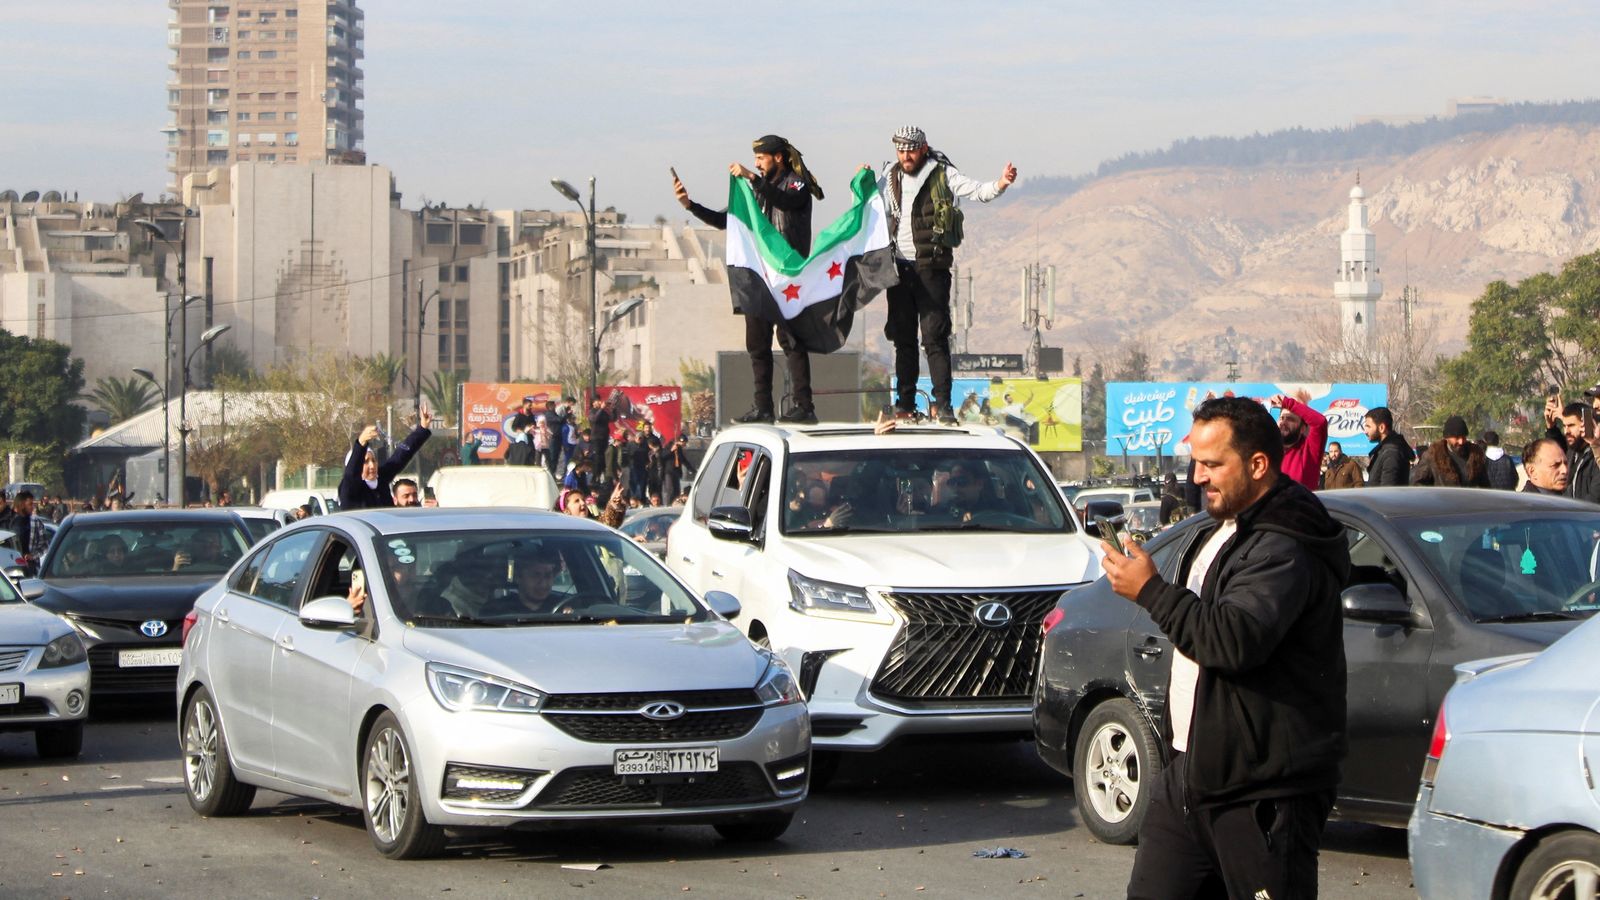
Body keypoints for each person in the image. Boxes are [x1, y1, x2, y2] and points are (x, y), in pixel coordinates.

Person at [1098, 396, 1349, 900]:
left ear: (1258, 465)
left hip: (1263, 789)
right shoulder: (1224, 531)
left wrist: (1150, 590)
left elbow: (1232, 640)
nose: (1196, 478)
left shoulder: (1285, 545)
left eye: (1212, 465)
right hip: (1191, 773)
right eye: (1195, 462)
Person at [675, 134, 822, 424]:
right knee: (757, 343)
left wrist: (753, 178)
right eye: (754, 160)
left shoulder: (796, 183)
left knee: (792, 340)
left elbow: (786, 200)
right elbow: (727, 221)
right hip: (758, 276)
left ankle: (804, 406)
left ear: (777, 157)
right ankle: (763, 407)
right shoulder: (756, 191)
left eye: (761, 158)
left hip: (786, 275)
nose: (756, 164)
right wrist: (689, 205)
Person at [875, 126, 1016, 423]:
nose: (905, 156)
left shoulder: (942, 173)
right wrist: (860, 182)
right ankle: (905, 403)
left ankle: (943, 404)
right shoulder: (889, 176)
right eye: (900, 150)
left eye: (910, 150)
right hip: (899, 269)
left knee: (934, 338)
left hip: (932, 269)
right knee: (903, 340)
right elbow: (869, 205)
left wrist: (1001, 183)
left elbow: (977, 190)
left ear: (923, 148)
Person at [338, 406, 433, 510]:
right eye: (365, 462)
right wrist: (361, 443)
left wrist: (422, 429)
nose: (372, 465)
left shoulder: (381, 479)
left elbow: (401, 456)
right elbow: (351, 475)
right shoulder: (350, 490)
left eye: (373, 460)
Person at [1543, 397, 1600, 504]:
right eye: (1564, 426)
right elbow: (1556, 450)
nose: (1566, 431)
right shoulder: (1573, 452)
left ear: (1585, 425)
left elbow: (1595, 498)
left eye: (1571, 426)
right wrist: (1551, 427)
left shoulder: (1596, 457)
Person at [1270, 392, 1328, 492]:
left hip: (1301, 506)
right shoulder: (1269, 450)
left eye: (1290, 419)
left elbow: (1320, 422)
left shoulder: (1310, 450)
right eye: (1282, 418)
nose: (1283, 422)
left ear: (1302, 429)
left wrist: (1288, 403)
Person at [1411, 416, 1490, 487]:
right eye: (1457, 437)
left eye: (1464, 437)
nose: (1461, 441)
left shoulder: (1475, 456)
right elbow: (1418, 484)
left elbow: (1485, 487)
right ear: (1447, 437)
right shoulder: (1433, 456)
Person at [1363, 406, 1413, 486]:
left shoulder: (1391, 453)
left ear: (1381, 428)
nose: (1365, 431)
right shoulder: (1384, 451)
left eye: (1368, 426)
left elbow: (1387, 491)